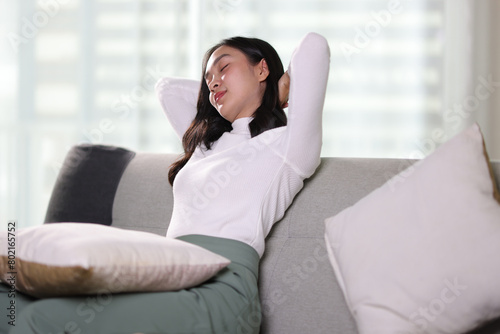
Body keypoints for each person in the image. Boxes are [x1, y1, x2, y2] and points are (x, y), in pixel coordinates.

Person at [1, 32, 330, 334]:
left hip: (219, 293)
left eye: (224, 68)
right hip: (167, 273)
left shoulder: (289, 147)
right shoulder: (206, 146)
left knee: (39, 320)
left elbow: (313, 47)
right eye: (208, 78)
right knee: (9, 303)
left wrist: (279, 89)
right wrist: (227, 87)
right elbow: (167, 89)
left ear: (262, 70)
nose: (213, 82)